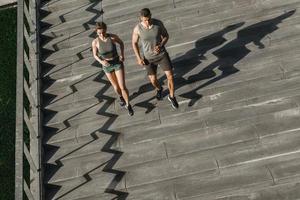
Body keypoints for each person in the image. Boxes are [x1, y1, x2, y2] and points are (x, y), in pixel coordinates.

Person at [132, 8, 179, 109]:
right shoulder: (137, 29)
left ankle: (172, 96)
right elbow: (134, 43)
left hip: (162, 55)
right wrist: (138, 58)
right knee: (153, 80)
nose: (147, 22)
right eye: (145, 20)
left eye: (149, 19)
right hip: (148, 58)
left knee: (170, 76)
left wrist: (161, 44)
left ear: (151, 16)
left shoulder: (158, 24)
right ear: (141, 19)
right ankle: (159, 89)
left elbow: (166, 36)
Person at [92, 22, 134, 116]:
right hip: (107, 65)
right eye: (99, 33)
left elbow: (121, 43)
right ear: (96, 32)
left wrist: (122, 54)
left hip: (116, 62)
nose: (102, 35)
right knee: (116, 87)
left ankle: (128, 105)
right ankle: (120, 97)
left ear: (106, 30)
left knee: (122, 86)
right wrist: (101, 61)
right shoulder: (95, 42)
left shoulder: (112, 37)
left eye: (103, 32)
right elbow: (95, 55)